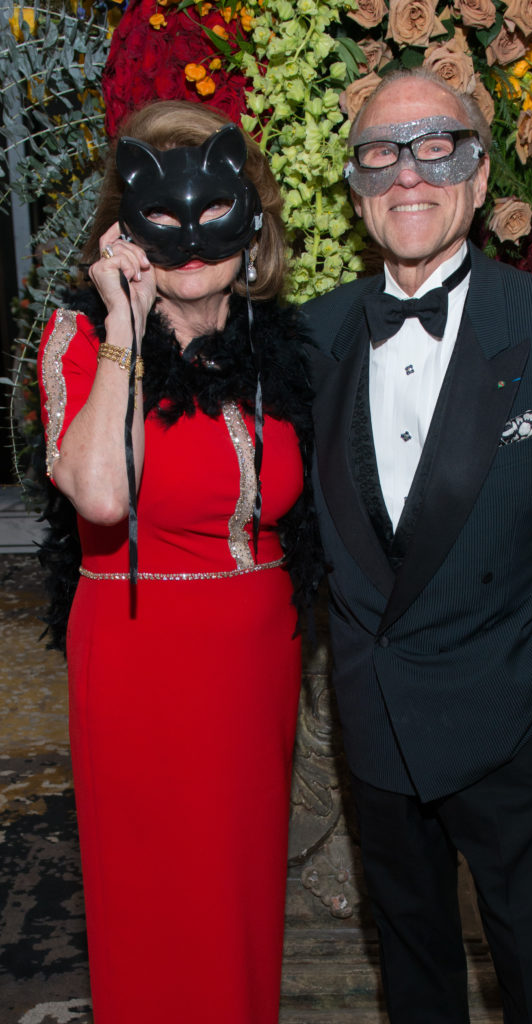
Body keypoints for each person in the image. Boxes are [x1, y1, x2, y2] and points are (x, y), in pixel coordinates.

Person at [302, 69, 532, 1023]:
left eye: (435, 147)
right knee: (413, 971)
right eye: (381, 153)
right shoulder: (312, 335)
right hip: (375, 721)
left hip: (511, 715)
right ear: (355, 182)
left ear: (479, 168)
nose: (408, 175)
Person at [36, 99, 320, 1024]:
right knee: (156, 905)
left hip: (256, 666)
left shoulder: (285, 356)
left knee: (237, 904)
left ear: (253, 220)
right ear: (126, 230)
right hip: (139, 660)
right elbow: (104, 499)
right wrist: (127, 318)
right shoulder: (82, 346)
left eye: (215, 218)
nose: (193, 243)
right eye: (162, 221)